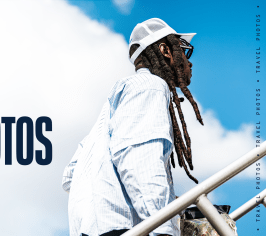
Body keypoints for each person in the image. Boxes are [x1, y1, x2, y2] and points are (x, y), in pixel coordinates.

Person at [62, 18, 204, 236]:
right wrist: (164, 228)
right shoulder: (151, 86)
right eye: (184, 50)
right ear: (165, 50)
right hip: (121, 228)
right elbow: (140, 159)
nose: (189, 61)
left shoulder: (111, 108)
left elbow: (70, 175)